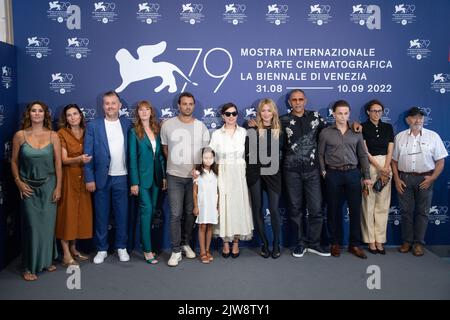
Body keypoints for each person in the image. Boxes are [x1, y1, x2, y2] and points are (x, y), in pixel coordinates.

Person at [11, 101, 62, 281]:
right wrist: (18, 182)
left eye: (40, 111)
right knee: (32, 227)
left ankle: (46, 260)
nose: (37, 113)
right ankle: (29, 266)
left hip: (49, 186)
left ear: (45, 114)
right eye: (34, 110)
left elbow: (58, 164)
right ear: (29, 114)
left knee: (47, 227)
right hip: (28, 188)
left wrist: (58, 187)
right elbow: (14, 162)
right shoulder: (20, 136)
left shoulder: (53, 136)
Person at [160, 92, 210, 267]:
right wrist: (175, 164)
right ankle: (175, 251)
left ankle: (185, 243)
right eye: (184, 104)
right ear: (178, 105)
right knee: (175, 214)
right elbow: (165, 149)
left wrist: (197, 170)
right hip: (174, 175)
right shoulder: (167, 125)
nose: (187, 107)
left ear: (194, 106)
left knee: (190, 213)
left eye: (190, 104)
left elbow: (206, 152)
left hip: (194, 177)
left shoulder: (201, 126)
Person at [280, 89, 330, 257]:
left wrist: (351, 125)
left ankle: (314, 243)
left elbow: (332, 131)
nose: (298, 102)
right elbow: (268, 132)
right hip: (291, 171)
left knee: (316, 208)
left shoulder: (315, 117)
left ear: (305, 101)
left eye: (300, 99)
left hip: (312, 170)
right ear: (289, 103)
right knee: (295, 209)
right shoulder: (282, 120)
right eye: (294, 100)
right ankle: (300, 243)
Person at [319, 100, 372, 259]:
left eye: (346, 113)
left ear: (349, 114)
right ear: (333, 114)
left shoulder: (356, 131)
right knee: (333, 210)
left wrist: (367, 176)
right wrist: (323, 171)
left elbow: (362, 155)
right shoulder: (326, 133)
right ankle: (335, 243)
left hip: (353, 174)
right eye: (340, 113)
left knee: (355, 210)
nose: (343, 116)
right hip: (333, 174)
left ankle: (354, 245)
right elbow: (320, 154)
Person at [84, 91, 132, 264]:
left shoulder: (128, 124)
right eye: (107, 103)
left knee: (122, 215)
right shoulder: (93, 126)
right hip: (101, 178)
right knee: (101, 215)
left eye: (113, 103)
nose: (110, 106)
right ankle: (102, 248)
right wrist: (89, 178)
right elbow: (87, 154)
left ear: (120, 105)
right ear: (102, 106)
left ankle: (121, 247)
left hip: (123, 177)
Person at [392, 107, 448, 256]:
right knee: (406, 212)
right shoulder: (400, 137)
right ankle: (407, 241)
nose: (418, 120)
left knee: (423, 212)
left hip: (426, 179)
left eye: (420, 117)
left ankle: (418, 243)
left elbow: (440, 161)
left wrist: (433, 178)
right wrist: (397, 179)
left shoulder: (433, 136)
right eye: (415, 117)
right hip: (405, 179)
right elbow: (394, 161)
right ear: (407, 120)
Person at [210, 103, 253, 258]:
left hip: (240, 172)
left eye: (234, 114)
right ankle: (225, 243)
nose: (231, 117)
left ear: (237, 115)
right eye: (227, 114)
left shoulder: (244, 132)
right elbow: (210, 155)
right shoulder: (216, 134)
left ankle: (236, 242)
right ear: (222, 116)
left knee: (238, 206)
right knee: (224, 206)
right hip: (222, 171)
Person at [128, 100, 167, 264]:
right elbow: (132, 158)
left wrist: (164, 176)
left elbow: (160, 156)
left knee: (151, 213)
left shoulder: (157, 130)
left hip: (157, 178)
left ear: (151, 112)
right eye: (141, 110)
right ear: (138, 113)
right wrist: (134, 182)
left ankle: (146, 243)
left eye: (147, 109)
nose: (144, 112)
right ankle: (147, 250)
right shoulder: (133, 132)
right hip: (142, 181)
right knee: (146, 211)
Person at [245, 98, 283, 259]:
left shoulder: (280, 130)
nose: (266, 113)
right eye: (263, 110)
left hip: (273, 173)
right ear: (259, 113)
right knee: (257, 209)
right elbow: (248, 154)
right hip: (255, 173)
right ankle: (264, 244)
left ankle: (276, 244)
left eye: (269, 110)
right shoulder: (252, 130)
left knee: (274, 210)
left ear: (273, 112)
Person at [56, 104, 93, 267]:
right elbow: (63, 160)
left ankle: (74, 248)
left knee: (79, 214)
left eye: (75, 114)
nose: (72, 117)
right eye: (69, 115)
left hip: (84, 177)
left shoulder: (87, 132)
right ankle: (65, 254)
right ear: (66, 118)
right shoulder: (61, 134)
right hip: (68, 178)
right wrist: (79, 159)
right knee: (68, 214)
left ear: (80, 115)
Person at [361, 100, 394, 255]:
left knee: (383, 204)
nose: (377, 113)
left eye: (379, 111)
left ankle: (380, 240)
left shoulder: (388, 127)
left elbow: (390, 149)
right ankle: (370, 240)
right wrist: (380, 168)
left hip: (386, 165)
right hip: (370, 165)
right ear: (368, 112)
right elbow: (365, 151)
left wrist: (386, 169)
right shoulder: (363, 127)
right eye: (373, 111)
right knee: (368, 204)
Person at [193, 147, 219, 264]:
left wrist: (218, 205)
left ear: (213, 159)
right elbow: (195, 192)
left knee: (210, 227)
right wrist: (196, 206)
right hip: (202, 204)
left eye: (210, 158)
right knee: (202, 226)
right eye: (205, 158)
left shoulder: (216, 173)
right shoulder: (197, 173)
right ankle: (202, 252)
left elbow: (218, 191)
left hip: (212, 204)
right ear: (202, 159)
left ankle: (208, 250)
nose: (208, 160)